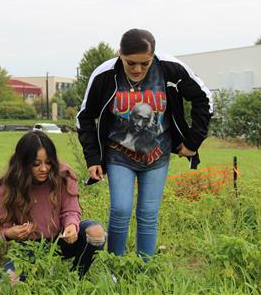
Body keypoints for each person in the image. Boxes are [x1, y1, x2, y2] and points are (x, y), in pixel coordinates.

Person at [76, 28, 213, 259]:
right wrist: (93, 158)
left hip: (157, 156)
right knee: (120, 209)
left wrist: (193, 142)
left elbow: (204, 99)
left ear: (153, 56)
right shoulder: (104, 74)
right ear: (120, 54)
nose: (138, 69)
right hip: (118, 154)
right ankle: (115, 266)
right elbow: (84, 116)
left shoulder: (170, 68)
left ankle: (144, 267)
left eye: (145, 63)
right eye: (131, 63)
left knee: (148, 213)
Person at [0, 131, 106, 285]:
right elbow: (0, 228)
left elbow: (70, 210)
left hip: (60, 239)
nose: (44, 169)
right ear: (23, 163)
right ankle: (34, 273)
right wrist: (11, 233)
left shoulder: (64, 175)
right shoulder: (8, 185)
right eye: (36, 164)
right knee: (7, 284)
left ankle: (75, 280)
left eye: (48, 162)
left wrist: (71, 225)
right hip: (29, 246)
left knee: (96, 233)